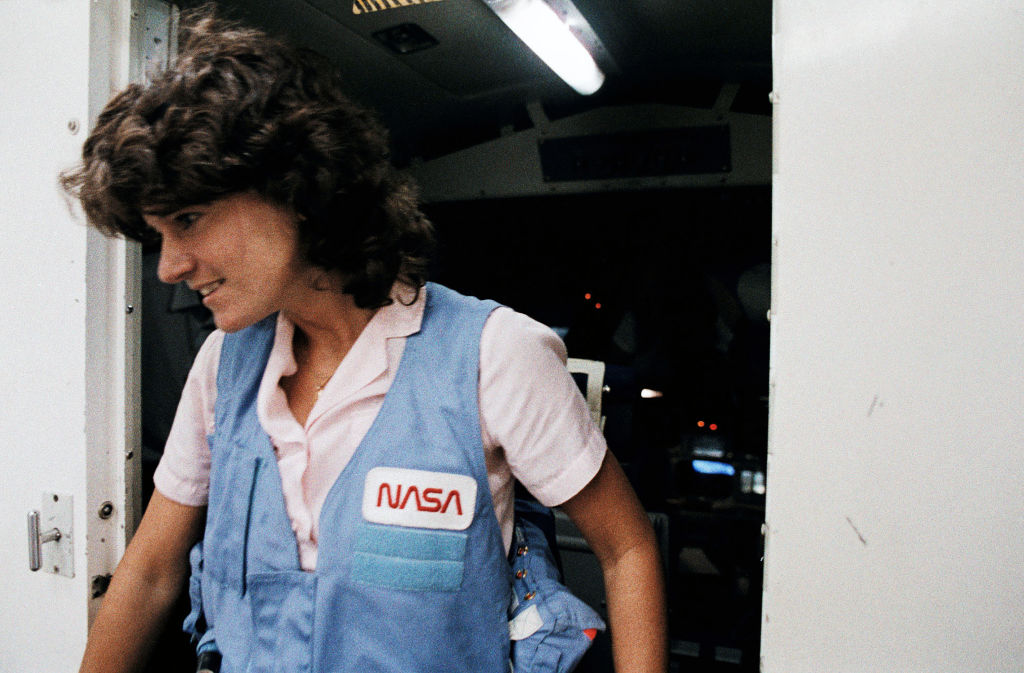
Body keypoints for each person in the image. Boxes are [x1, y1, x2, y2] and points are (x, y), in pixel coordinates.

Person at [62, 8, 666, 673]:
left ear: (294, 188)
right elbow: (149, 573)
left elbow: (626, 546)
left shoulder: (493, 355)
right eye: (161, 234)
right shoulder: (223, 369)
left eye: (188, 219)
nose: (170, 265)